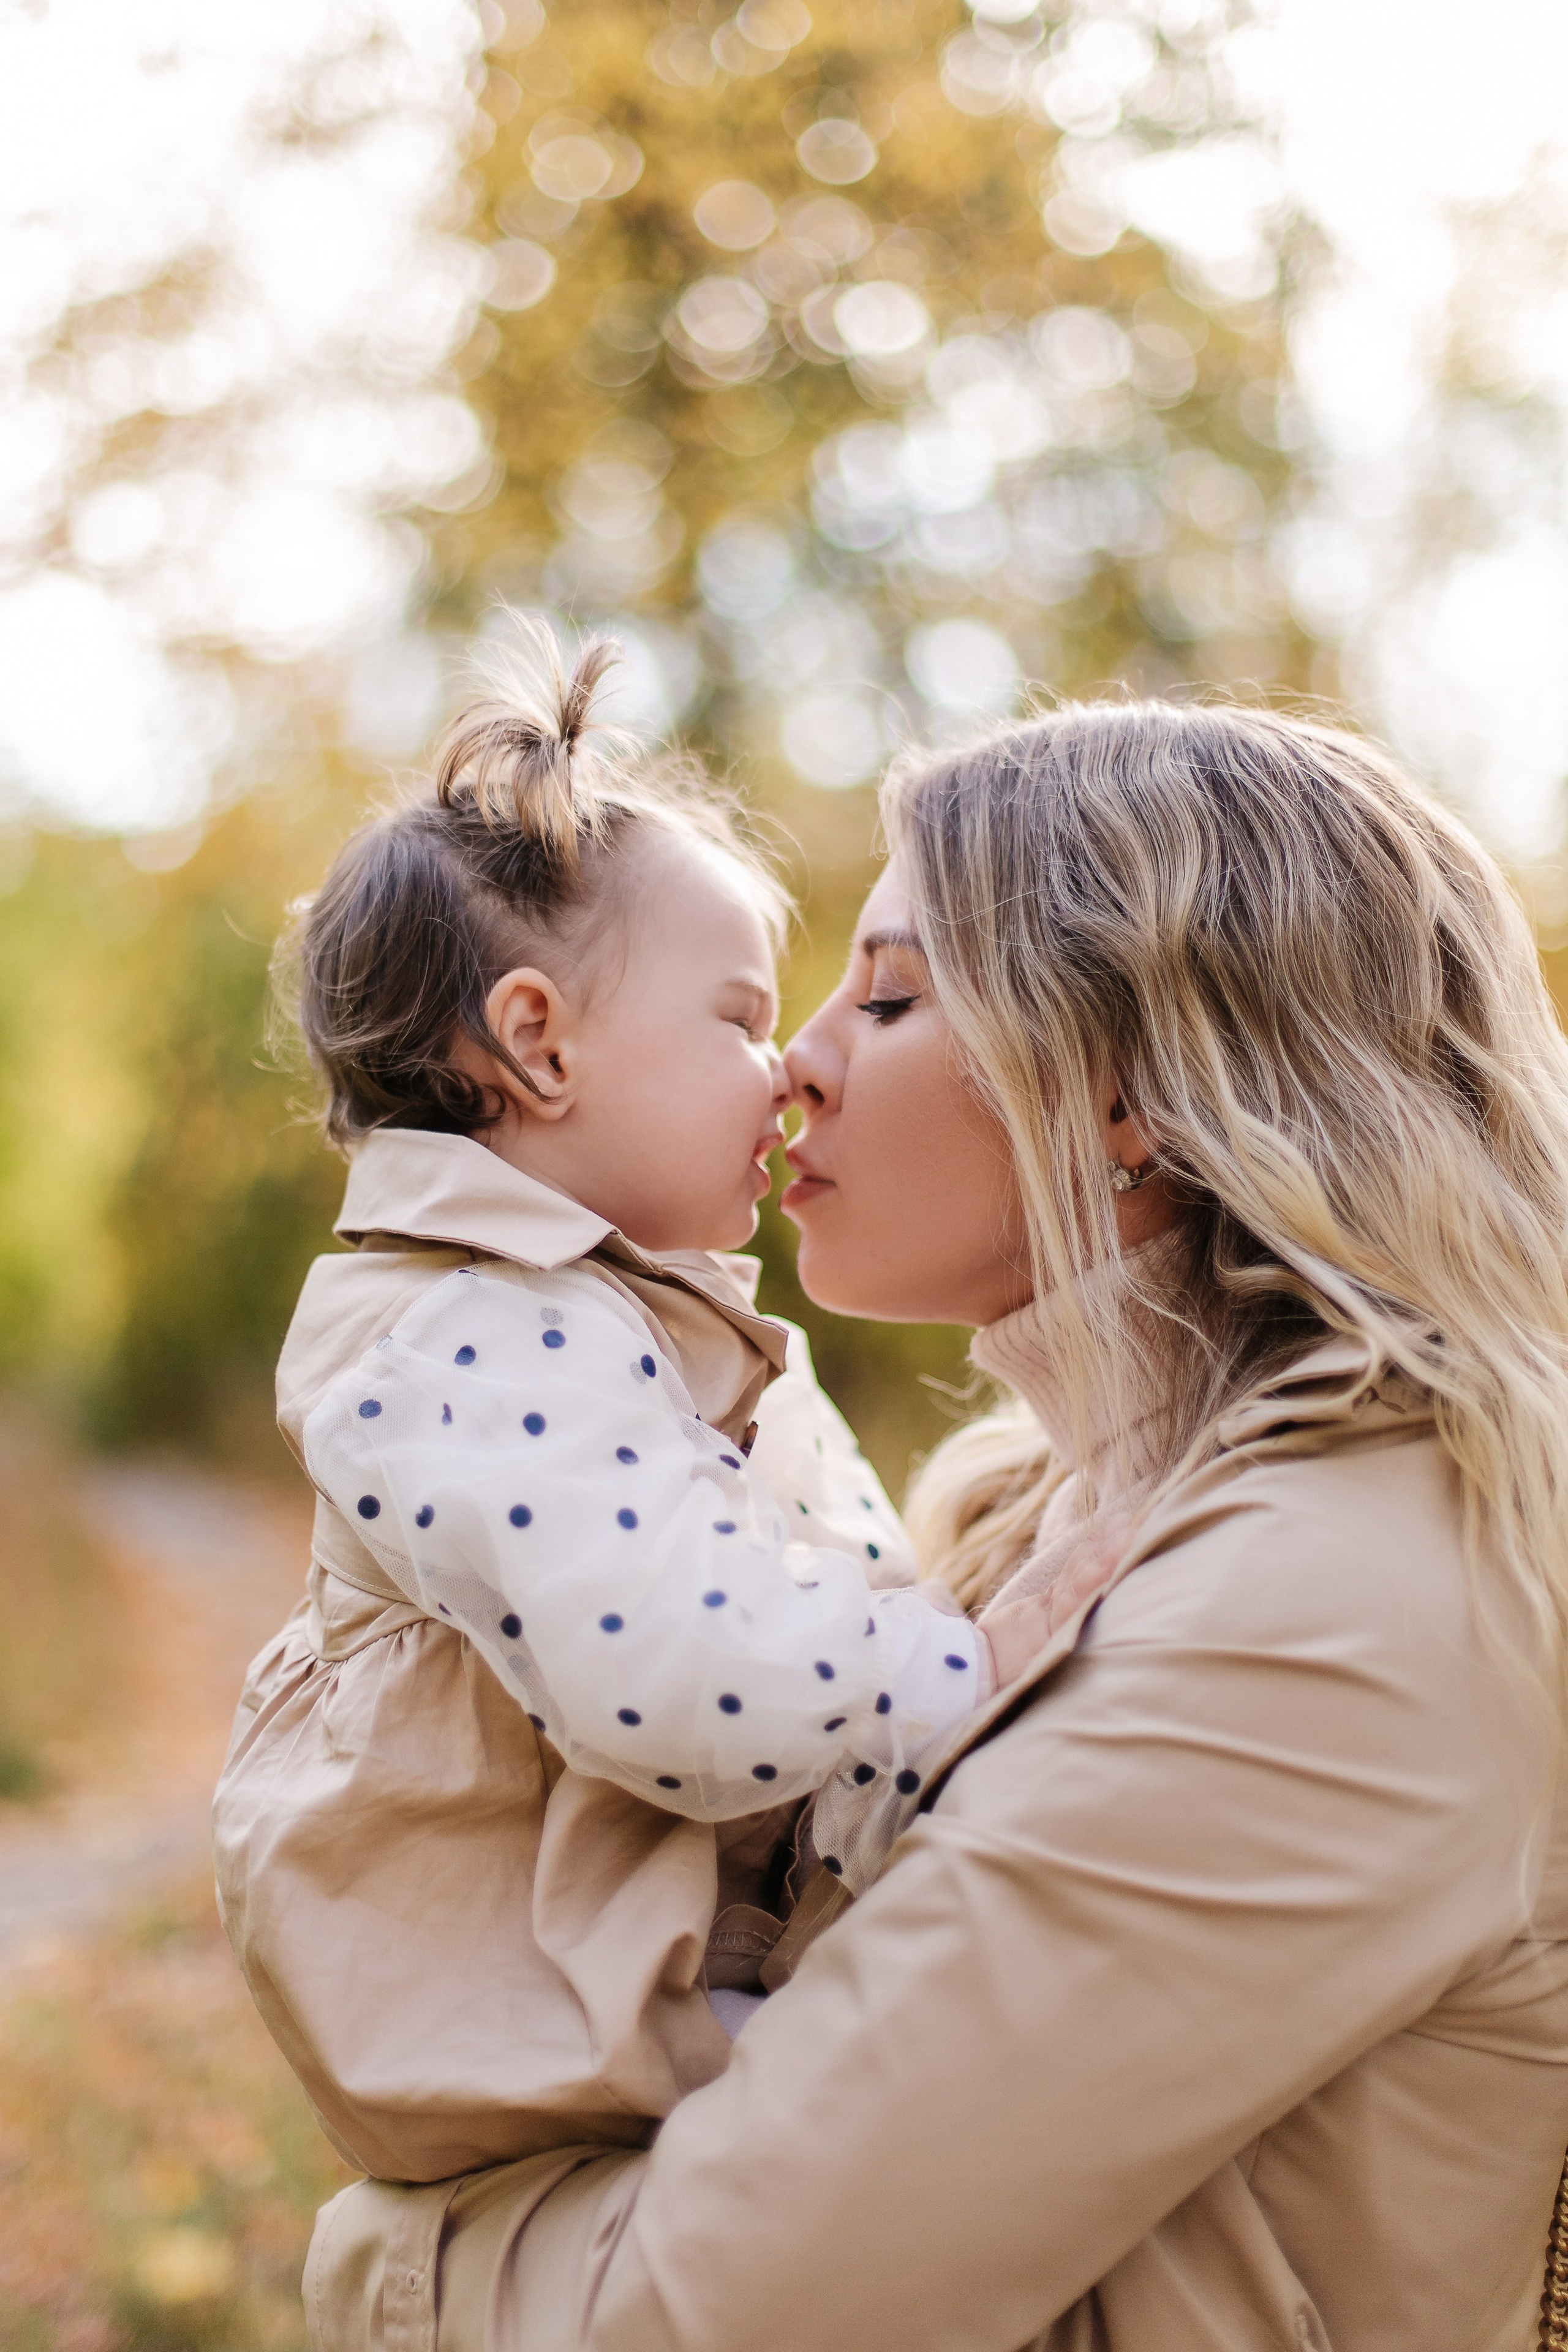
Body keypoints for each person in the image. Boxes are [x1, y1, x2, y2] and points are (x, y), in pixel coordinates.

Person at [304, 699, 1568, 2352]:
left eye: (886, 994)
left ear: (1128, 1094)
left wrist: (379, 2262)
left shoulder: (1331, 1601)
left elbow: (704, 2320)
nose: (797, 1060)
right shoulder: (1043, 1522)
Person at [214, 625, 1043, 2190]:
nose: (786, 1070)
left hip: (641, 1992)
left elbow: (805, 1566)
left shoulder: (591, 1314)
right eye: (736, 1019)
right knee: (980, 2123)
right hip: (544, 2026)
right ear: (540, 1045)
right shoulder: (465, 1339)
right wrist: (964, 1672)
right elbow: (682, 1684)